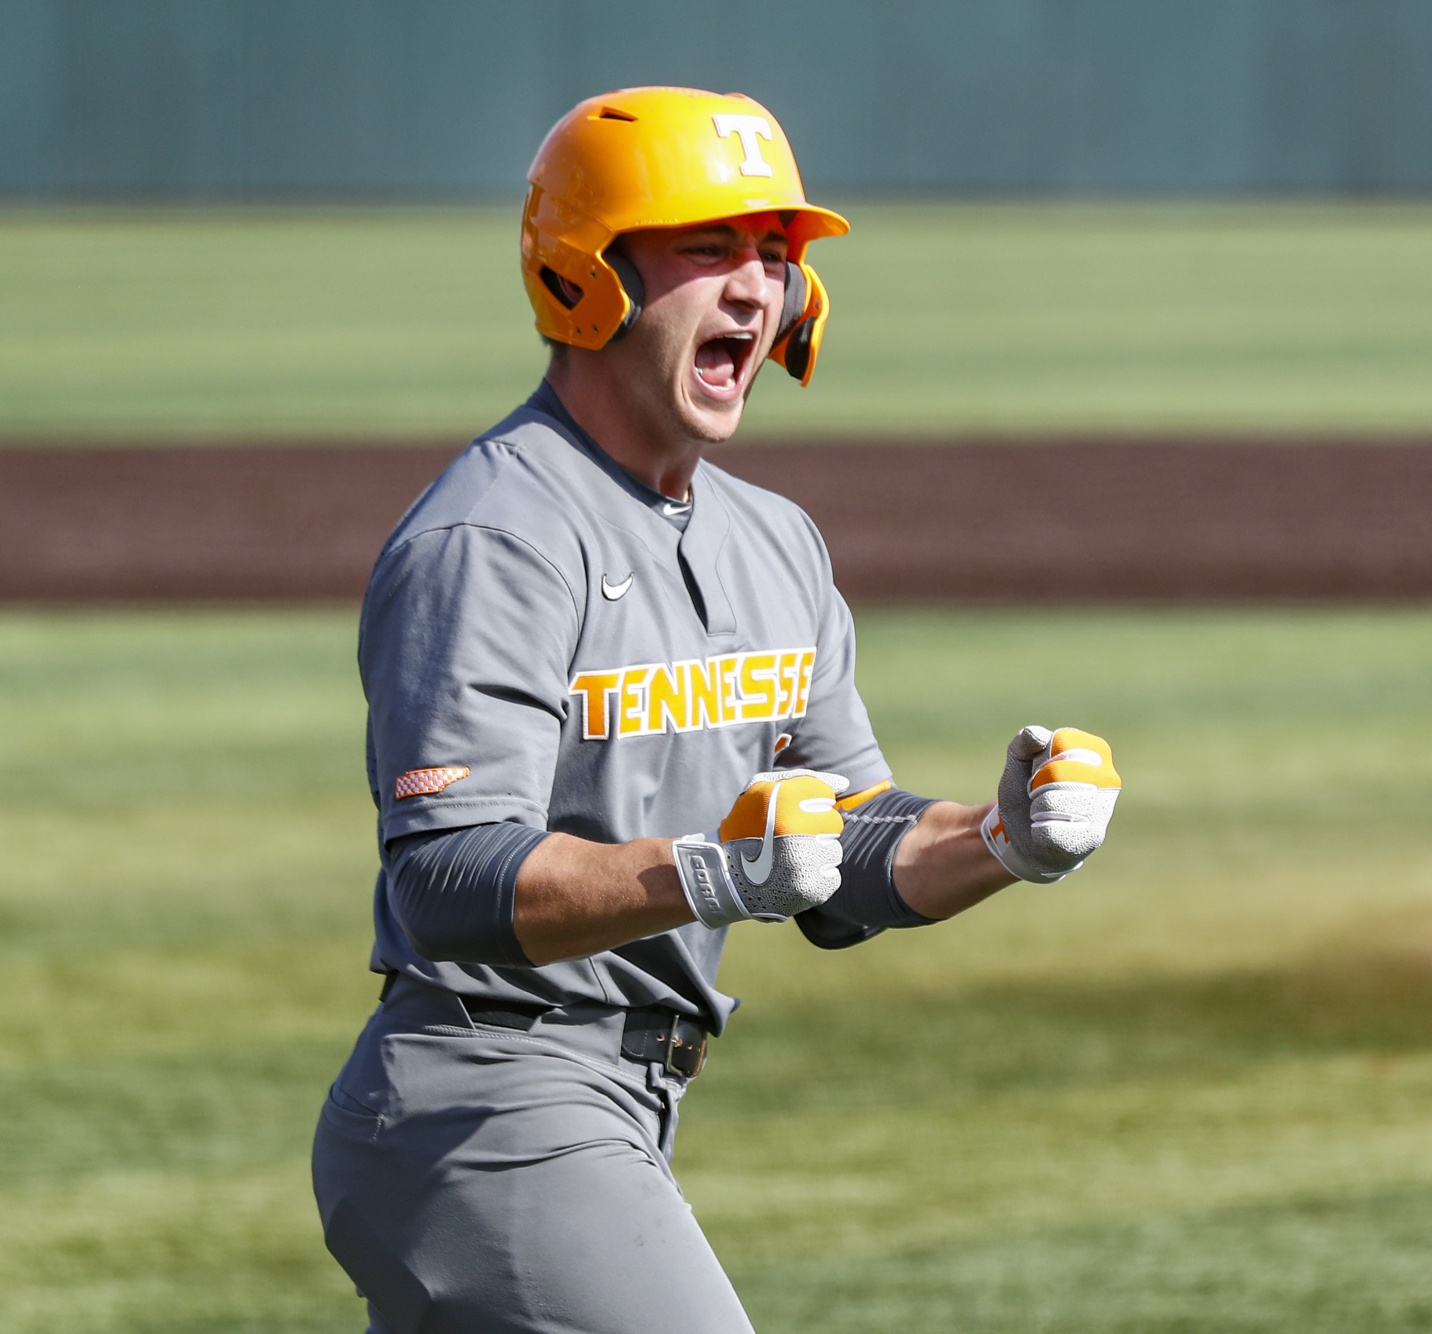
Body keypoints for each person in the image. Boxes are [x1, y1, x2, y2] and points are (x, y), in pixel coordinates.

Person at [309, 86, 1123, 1333]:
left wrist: (1000, 838)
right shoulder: (499, 535)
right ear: (589, 276)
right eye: (709, 247)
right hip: (484, 1103)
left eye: (776, 255)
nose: (758, 287)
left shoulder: (774, 540)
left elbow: (843, 851)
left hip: (617, 1107)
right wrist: (710, 871)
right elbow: (449, 877)